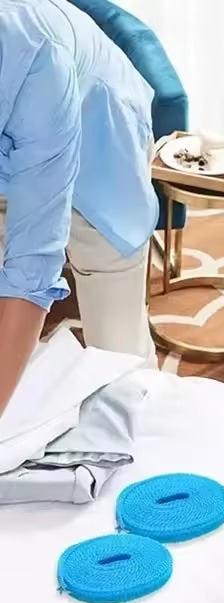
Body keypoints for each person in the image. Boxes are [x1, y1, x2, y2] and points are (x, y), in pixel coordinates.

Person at [0, 0, 158, 417]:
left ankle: (147, 436)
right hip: (16, 153)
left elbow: (31, 268)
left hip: (103, 156)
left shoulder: (35, 62)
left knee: (120, 361)